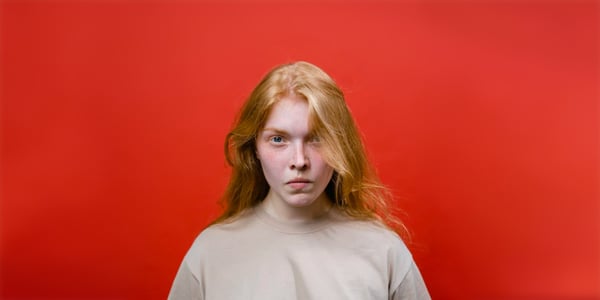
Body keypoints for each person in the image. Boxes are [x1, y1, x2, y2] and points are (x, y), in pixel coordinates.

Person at [168, 61, 431, 300]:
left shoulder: (383, 251)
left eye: (316, 138)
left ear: (340, 144)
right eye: (278, 139)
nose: (299, 160)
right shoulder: (210, 253)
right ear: (255, 149)